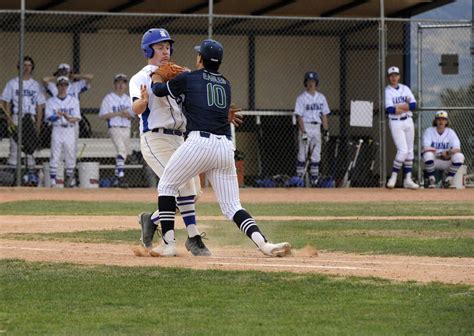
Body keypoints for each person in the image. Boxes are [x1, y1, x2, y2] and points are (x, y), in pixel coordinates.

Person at [149, 38, 291, 258]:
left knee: (167, 186)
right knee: (233, 206)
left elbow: (158, 91)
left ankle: (168, 244)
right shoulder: (225, 83)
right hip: (225, 147)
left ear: (200, 59)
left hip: (199, 143)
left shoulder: (189, 78)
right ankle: (264, 244)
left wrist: (157, 75)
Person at [129, 28, 210, 256]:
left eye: (167, 47)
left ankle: (151, 219)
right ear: (148, 50)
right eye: (159, 47)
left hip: (180, 138)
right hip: (156, 139)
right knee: (178, 185)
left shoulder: (179, 72)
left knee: (193, 193)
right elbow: (135, 107)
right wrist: (143, 102)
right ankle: (190, 239)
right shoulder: (141, 77)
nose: (165, 51)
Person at [0, 56, 45, 185]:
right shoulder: (13, 83)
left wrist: (38, 123)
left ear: (32, 67)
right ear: (19, 66)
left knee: (30, 149)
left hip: (29, 117)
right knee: (15, 148)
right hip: (17, 116)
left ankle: (30, 179)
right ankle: (13, 179)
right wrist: (9, 120)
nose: (26, 67)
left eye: (29, 65)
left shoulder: (36, 85)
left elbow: (40, 105)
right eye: (24, 65)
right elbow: (5, 101)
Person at [384, 66, 418, 189]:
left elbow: (413, 105)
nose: (394, 77)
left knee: (409, 151)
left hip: (408, 121)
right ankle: (393, 177)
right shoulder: (387, 91)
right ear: (389, 78)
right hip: (395, 122)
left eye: (396, 75)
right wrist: (405, 106)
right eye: (391, 75)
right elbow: (390, 109)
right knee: (402, 150)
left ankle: (408, 179)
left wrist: (399, 107)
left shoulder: (405, 88)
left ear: (399, 76)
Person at [294, 71, 330, 187]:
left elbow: (324, 115)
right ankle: (300, 179)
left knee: (316, 154)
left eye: (313, 82)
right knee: (302, 153)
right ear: (305, 83)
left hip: (316, 127)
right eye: (309, 82)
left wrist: (326, 130)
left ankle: (314, 180)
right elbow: (299, 115)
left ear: (316, 83)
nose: (311, 84)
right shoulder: (301, 98)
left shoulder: (321, 98)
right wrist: (303, 131)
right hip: (306, 126)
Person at [44, 76, 81, 188]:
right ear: (57, 86)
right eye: (60, 85)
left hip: (69, 129)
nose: (63, 87)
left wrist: (69, 117)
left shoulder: (73, 100)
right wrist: (57, 116)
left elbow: (77, 117)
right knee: (55, 155)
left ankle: (70, 181)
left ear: (67, 86)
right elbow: (48, 118)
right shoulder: (51, 101)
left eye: (65, 85)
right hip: (57, 129)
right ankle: (53, 182)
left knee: (70, 155)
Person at [99, 74, 134, 188]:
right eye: (118, 82)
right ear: (115, 84)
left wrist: (127, 114)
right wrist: (118, 113)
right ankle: (121, 176)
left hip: (126, 128)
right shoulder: (109, 98)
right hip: (114, 127)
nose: (120, 85)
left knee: (125, 153)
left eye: (123, 82)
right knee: (121, 150)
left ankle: (116, 177)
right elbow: (102, 116)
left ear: (125, 85)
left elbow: (133, 115)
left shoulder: (128, 99)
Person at [422, 110, 465, 188]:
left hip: (446, 160)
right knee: (427, 154)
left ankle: (448, 180)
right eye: (439, 119)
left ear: (446, 121)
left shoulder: (451, 132)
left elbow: (457, 149)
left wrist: (448, 152)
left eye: (443, 119)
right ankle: (431, 180)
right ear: (435, 121)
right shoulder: (429, 131)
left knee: (459, 156)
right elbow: (426, 147)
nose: (441, 121)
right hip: (433, 161)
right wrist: (440, 153)